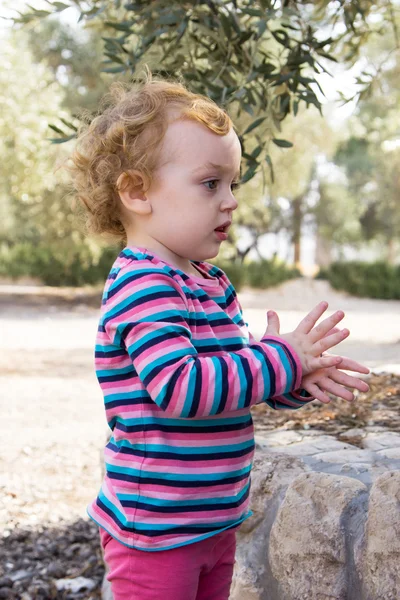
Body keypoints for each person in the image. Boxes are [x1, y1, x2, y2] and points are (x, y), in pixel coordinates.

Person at [70, 72, 370, 600]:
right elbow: (185, 388)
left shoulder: (209, 283)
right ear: (138, 192)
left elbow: (231, 380)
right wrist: (281, 358)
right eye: (211, 183)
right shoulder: (143, 283)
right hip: (156, 533)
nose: (230, 200)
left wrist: (292, 378)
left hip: (211, 520)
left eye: (233, 184)